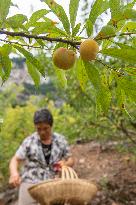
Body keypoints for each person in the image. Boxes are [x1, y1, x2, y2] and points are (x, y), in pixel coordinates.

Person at [9, 108, 74, 205]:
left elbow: (71, 159)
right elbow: (15, 159)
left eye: (45, 128)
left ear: (51, 126)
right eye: (39, 129)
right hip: (30, 184)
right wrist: (14, 173)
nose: (42, 132)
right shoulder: (29, 141)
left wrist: (66, 163)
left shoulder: (61, 140)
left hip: (53, 184)